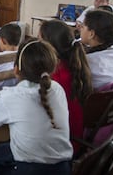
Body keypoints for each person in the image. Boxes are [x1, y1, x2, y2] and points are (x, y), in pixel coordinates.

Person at [0, 39, 73, 174]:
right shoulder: (57, 88)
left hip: (29, 170)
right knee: (2, 150)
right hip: (63, 167)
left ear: (15, 70)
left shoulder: (12, 96)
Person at [39, 20, 92, 153]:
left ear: (49, 46)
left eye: (39, 41)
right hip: (72, 136)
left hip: (60, 144)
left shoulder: (55, 76)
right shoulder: (74, 64)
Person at [79, 9, 113, 89]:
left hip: (91, 100)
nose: (80, 28)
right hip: (112, 99)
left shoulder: (87, 60)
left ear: (91, 34)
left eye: (82, 26)